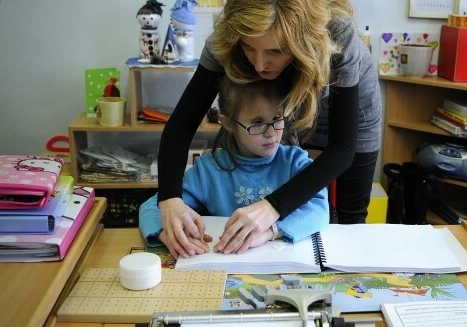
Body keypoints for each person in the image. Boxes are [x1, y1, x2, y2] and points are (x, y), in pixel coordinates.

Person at [157, 0, 381, 258]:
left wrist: (272, 206)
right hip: (284, 107)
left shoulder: (337, 36)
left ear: (300, 43)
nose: (259, 65)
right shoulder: (226, 40)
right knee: (286, 199)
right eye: (250, 48)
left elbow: (342, 149)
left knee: (350, 221)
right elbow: (182, 125)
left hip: (349, 110)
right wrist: (169, 198)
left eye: (274, 51)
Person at [140, 77, 329, 257]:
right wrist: (167, 234)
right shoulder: (209, 170)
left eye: (277, 118)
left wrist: (270, 231)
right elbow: (152, 207)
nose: (272, 133)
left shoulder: (294, 162)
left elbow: (320, 208)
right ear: (228, 123)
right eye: (258, 122)